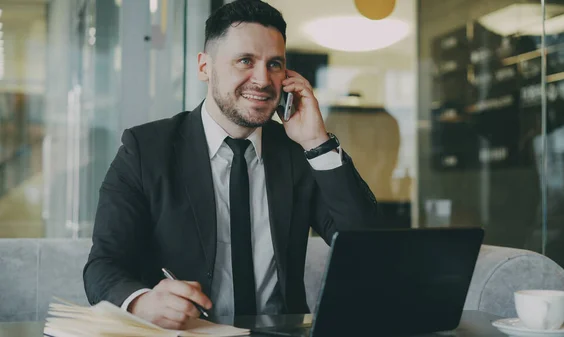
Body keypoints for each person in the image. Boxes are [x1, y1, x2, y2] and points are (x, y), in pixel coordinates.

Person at [83, 0, 377, 330]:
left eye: (275, 64)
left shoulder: (298, 152)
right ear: (204, 67)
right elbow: (103, 265)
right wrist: (141, 302)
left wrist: (317, 143)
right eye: (245, 61)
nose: (263, 80)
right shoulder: (145, 150)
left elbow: (367, 245)